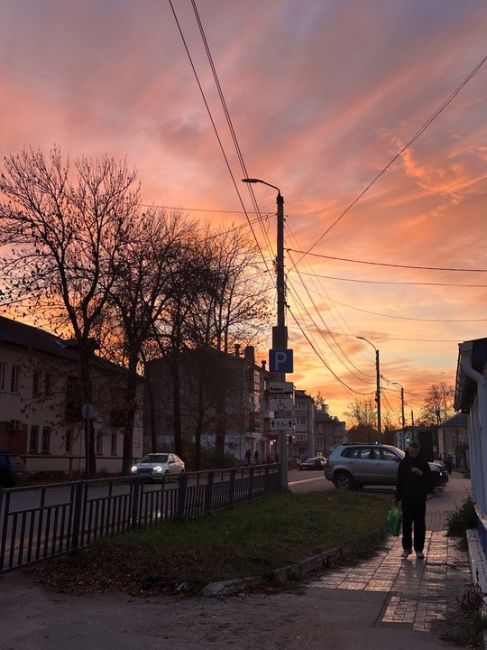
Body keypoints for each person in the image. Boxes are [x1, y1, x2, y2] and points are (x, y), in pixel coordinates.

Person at [394, 440, 431, 560]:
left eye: (416, 453)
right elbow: (399, 481)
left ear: (419, 451)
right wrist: (397, 497)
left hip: (419, 498)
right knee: (406, 523)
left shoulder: (423, 463)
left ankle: (419, 549)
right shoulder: (404, 463)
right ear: (408, 450)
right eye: (412, 452)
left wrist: (421, 474)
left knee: (420, 524)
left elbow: (429, 481)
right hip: (407, 498)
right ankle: (406, 548)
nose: (414, 454)